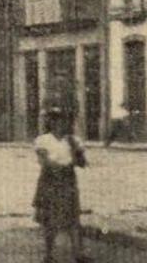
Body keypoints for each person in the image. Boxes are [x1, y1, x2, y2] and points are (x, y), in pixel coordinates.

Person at [33, 105, 90, 263]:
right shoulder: (43, 140)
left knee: (73, 218)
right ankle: (49, 255)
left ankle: (78, 254)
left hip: (68, 181)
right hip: (50, 181)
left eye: (65, 121)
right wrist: (64, 165)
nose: (62, 124)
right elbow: (44, 162)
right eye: (57, 121)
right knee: (50, 220)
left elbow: (83, 163)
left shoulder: (73, 140)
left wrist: (77, 151)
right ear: (51, 123)